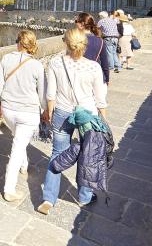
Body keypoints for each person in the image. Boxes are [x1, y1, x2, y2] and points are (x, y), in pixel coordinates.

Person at [37, 28, 107, 215]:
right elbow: (100, 99)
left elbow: (50, 94)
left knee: (57, 153)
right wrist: (104, 121)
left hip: (62, 112)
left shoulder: (55, 63)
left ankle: (48, 200)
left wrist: (48, 114)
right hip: (87, 115)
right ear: (85, 45)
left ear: (66, 43)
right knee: (88, 155)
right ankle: (84, 197)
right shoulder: (93, 67)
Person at [0, 30, 46, 202]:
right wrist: (45, 111)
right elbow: (42, 94)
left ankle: (24, 165)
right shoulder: (37, 65)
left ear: (18, 42)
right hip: (28, 112)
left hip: (8, 110)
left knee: (18, 139)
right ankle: (9, 190)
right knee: (17, 148)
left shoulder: (6, 59)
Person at [75, 12, 110, 86]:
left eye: (76, 21)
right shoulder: (100, 40)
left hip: (79, 77)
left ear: (82, 24)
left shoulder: (75, 40)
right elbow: (105, 62)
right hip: (96, 76)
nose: (75, 24)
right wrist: (106, 79)